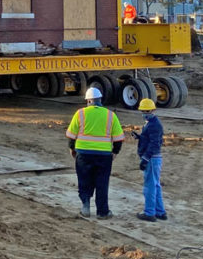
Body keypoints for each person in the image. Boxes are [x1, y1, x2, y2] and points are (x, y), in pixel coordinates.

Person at [66, 86, 124, 219]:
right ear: (100, 100)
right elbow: (118, 138)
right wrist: (115, 151)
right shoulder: (110, 115)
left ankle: (85, 207)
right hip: (104, 156)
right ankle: (102, 212)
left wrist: (72, 149)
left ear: (88, 101)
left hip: (83, 154)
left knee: (84, 180)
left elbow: (71, 135)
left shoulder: (80, 113)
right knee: (102, 183)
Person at [134, 98, 167, 221]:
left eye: (146, 111)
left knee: (150, 186)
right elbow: (152, 140)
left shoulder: (154, 125)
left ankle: (149, 212)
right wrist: (140, 137)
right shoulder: (152, 123)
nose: (144, 113)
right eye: (143, 111)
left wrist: (145, 159)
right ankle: (160, 211)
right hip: (154, 159)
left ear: (153, 110)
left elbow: (154, 144)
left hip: (152, 159)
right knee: (156, 185)